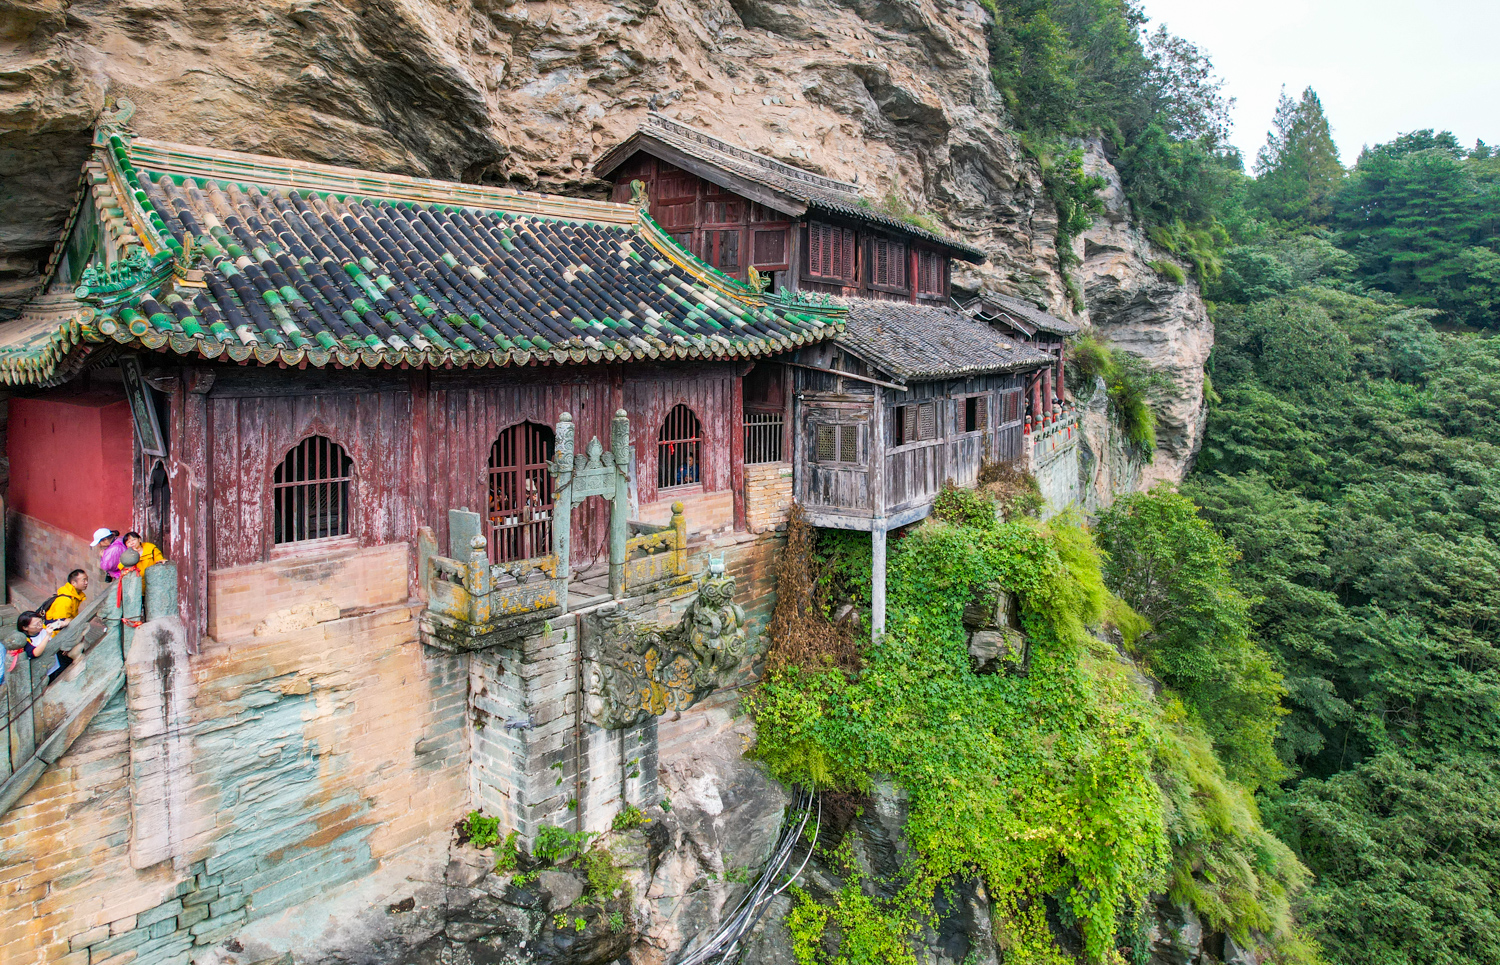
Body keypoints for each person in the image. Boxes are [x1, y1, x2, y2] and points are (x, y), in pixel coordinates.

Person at [8, 611, 71, 683]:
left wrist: (62, 623)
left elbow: (68, 619)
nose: (40, 625)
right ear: (25, 627)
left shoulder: (44, 625)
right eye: (36, 625)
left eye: (40, 622)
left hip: (57, 662)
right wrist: (47, 636)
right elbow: (35, 653)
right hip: (43, 671)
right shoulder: (25, 640)